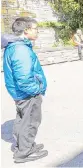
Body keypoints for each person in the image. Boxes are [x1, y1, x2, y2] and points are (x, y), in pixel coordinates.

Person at [3, 17, 48, 163]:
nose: (38, 32)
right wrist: (37, 90)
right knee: (30, 121)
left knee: (22, 120)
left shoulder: (16, 46)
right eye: (35, 29)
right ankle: (24, 153)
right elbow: (24, 79)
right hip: (27, 93)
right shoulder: (20, 49)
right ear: (26, 30)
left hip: (20, 92)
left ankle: (24, 146)